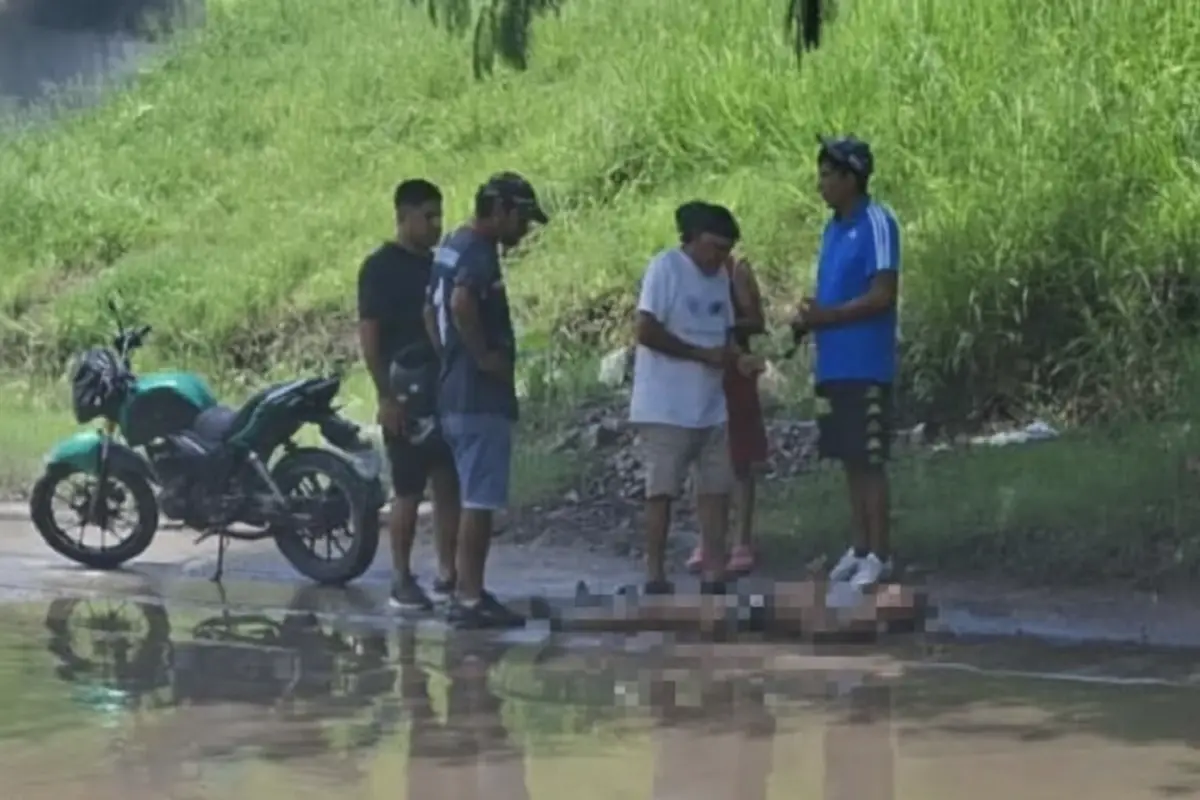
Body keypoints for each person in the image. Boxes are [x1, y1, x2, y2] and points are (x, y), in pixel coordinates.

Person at [426, 172, 548, 628]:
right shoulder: (479, 253)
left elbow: (429, 310)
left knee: (464, 497)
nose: (525, 231)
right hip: (479, 397)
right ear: (500, 211)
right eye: (522, 219)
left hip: (451, 392)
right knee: (479, 501)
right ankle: (470, 597)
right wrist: (482, 358)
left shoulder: (452, 245)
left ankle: (463, 587)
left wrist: (449, 356)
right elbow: (461, 303)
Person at [630, 201, 763, 595]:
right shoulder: (666, 268)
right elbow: (645, 330)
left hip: (711, 405)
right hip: (665, 405)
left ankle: (714, 571)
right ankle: (655, 572)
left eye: (726, 250)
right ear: (693, 239)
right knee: (662, 491)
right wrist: (700, 355)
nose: (720, 257)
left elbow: (725, 334)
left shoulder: (721, 277)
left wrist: (738, 360)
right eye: (715, 248)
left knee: (716, 490)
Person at [794, 135, 902, 589]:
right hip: (833, 364)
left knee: (869, 460)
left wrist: (829, 316)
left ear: (850, 178)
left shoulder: (878, 222)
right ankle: (858, 548)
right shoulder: (832, 229)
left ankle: (880, 554)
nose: (820, 184)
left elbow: (883, 293)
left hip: (865, 363)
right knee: (848, 459)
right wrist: (810, 318)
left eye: (826, 176)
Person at [357, 178, 461, 611]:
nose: (436, 225)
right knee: (408, 489)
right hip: (404, 390)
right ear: (403, 217)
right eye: (428, 216)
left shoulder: (439, 267)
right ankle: (401, 577)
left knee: (449, 483)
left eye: (439, 216)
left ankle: (449, 573)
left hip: (443, 389)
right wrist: (385, 397)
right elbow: (369, 336)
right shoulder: (380, 268)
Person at [686, 252, 769, 577]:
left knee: (741, 457)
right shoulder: (685, 270)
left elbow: (757, 321)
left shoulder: (737, 270)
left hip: (736, 369)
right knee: (703, 455)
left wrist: (723, 324)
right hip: (704, 371)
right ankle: (708, 540)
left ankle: (741, 540)